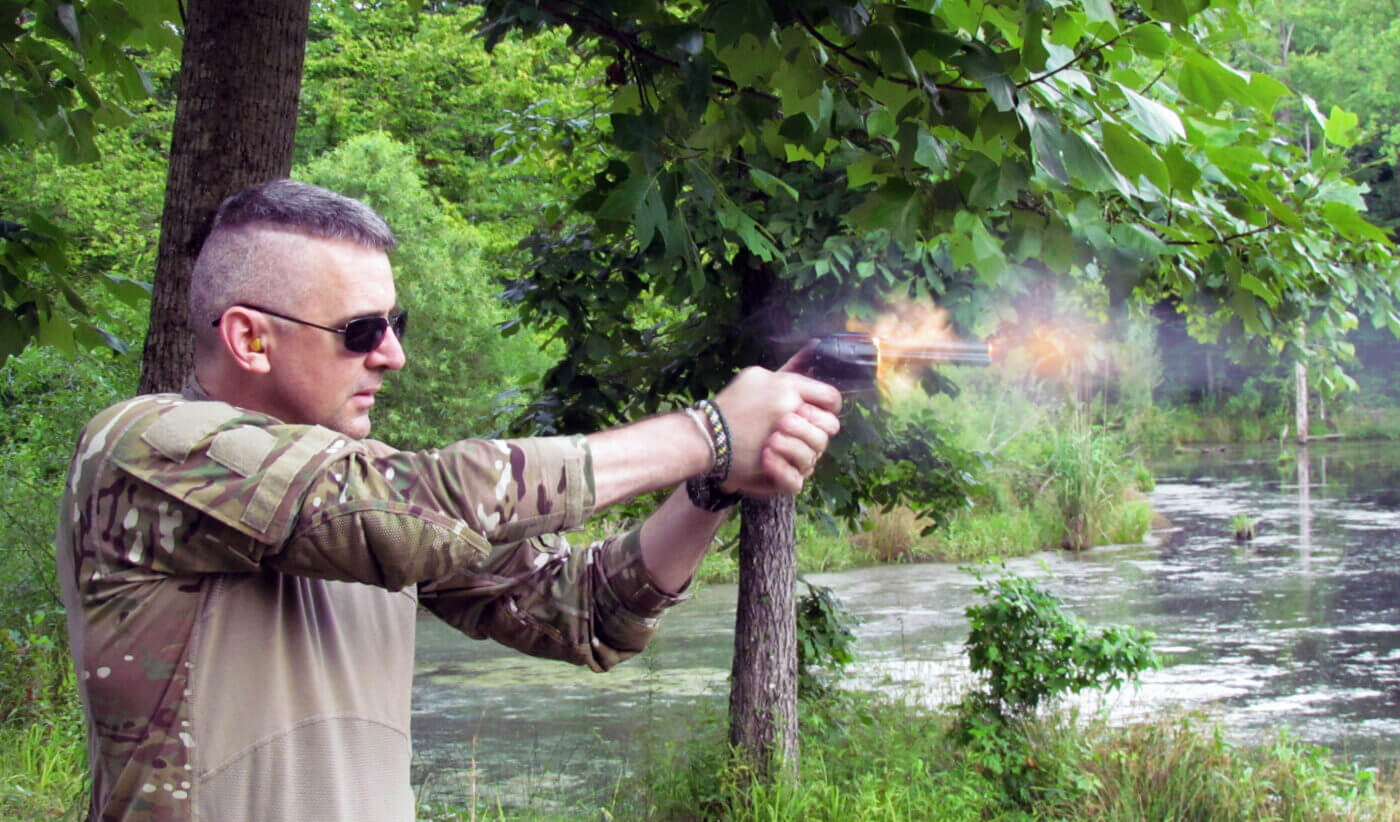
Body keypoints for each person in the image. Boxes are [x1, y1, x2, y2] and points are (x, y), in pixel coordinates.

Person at [56, 179, 842, 821]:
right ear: (250, 339)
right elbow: (416, 514)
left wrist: (711, 486)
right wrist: (707, 429)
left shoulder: (366, 491)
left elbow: (587, 613)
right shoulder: (145, 447)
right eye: (361, 330)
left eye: (395, 322)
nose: (393, 355)